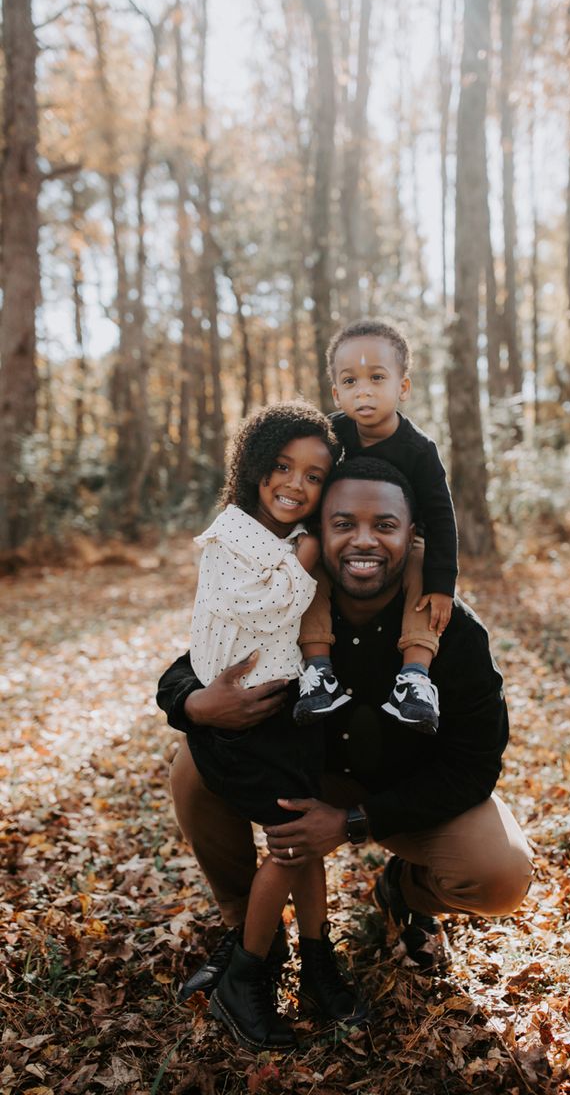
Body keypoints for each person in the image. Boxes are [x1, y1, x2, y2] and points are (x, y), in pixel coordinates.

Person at [157, 457, 533, 1046]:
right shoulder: (288, 596)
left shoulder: (450, 627)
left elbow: (476, 764)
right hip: (307, 776)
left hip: (405, 796)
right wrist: (197, 705)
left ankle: (401, 893)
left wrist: (356, 822)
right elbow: (192, 667)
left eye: (384, 525)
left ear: (412, 538)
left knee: (501, 874)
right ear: (318, 532)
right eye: (343, 523)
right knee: (192, 764)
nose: (363, 540)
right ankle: (248, 935)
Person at [183, 400, 366, 1052]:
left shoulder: (288, 539)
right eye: (283, 467)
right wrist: (307, 559)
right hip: (244, 729)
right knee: (290, 848)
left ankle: (317, 965)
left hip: (289, 721)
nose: (295, 484)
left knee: (303, 837)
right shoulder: (232, 533)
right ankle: (245, 976)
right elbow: (256, 610)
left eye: (314, 475)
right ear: (256, 467)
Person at [293, 321, 457, 735]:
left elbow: (440, 517)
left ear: (403, 387)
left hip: (402, 545)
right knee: (309, 560)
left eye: (377, 378)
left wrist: (443, 583)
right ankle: (318, 673)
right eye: (350, 381)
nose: (363, 390)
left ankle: (415, 677)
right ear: (336, 393)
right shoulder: (330, 435)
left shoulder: (419, 450)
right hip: (338, 540)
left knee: (420, 569)